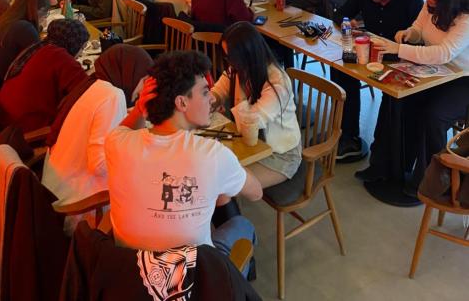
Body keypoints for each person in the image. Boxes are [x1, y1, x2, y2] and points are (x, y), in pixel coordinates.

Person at [105, 51, 262, 259]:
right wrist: (228, 167)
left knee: (218, 194)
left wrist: (140, 109)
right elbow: (256, 193)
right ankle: (236, 278)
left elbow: (124, 130)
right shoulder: (213, 156)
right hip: (190, 275)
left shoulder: (116, 143)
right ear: (182, 103)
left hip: (130, 270)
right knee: (242, 224)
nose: (211, 98)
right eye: (205, 92)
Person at [357, 0, 469, 191]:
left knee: (433, 115)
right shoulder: (430, 6)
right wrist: (409, 33)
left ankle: (432, 179)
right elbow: (418, 27)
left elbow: (443, 53)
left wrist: (398, 48)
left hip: (461, 78)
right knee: (395, 98)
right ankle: (385, 166)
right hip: (434, 70)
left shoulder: (465, 18)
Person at [330, 0, 423, 161]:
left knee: (394, 96)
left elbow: (421, 37)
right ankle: (348, 135)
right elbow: (339, 14)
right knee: (340, 73)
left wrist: (404, 42)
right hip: (369, 52)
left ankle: (384, 152)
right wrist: (348, 22)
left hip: (399, 57)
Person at [212, 22, 302, 188]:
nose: (229, 63)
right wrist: (211, 100)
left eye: (231, 57)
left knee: (226, 184)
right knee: (214, 171)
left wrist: (235, 92)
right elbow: (218, 91)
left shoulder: (277, 82)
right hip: (251, 146)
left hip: (280, 155)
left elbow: (251, 123)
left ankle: (236, 205)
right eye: (227, 57)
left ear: (248, 55)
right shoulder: (239, 69)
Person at [42, 58, 127, 206]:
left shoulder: (91, 85)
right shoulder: (113, 96)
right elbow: (99, 166)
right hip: (76, 203)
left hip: (52, 188)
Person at [0, 18, 88, 132]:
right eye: (82, 48)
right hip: (25, 130)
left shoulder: (38, 47)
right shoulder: (60, 56)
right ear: (74, 43)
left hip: (4, 118)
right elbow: (88, 91)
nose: (81, 53)